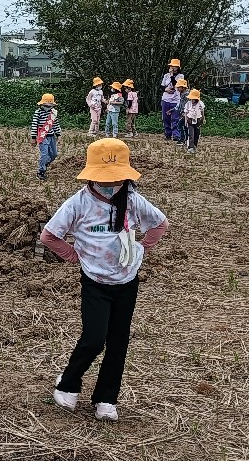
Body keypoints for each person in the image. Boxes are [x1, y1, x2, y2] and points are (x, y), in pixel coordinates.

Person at [41, 138, 169, 422]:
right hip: (95, 281)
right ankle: (68, 384)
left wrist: (142, 248)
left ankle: (106, 398)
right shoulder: (78, 203)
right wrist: (72, 255)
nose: (111, 184)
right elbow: (48, 235)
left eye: (116, 179)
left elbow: (160, 223)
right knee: (94, 338)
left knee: (118, 341)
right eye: (105, 179)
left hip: (127, 281)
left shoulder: (132, 199)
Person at [30, 94, 61, 180]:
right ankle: (41, 171)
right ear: (42, 104)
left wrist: (58, 134)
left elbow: (55, 124)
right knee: (44, 154)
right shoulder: (38, 113)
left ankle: (45, 163)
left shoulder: (53, 113)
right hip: (42, 136)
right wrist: (33, 137)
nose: (48, 107)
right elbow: (34, 125)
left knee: (54, 154)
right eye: (46, 105)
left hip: (51, 136)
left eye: (50, 106)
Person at [182, 89, 206, 154]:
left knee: (197, 134)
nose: (192, 100)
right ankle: (191, 147)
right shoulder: (188, 104)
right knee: (191, 134)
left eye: (193, 99)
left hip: (198, 120)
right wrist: (186, 120)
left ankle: (195, 145)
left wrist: (203, 119)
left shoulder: (200, 103)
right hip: (190, 120)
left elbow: (202, 112)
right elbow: (186, 112)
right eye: (191, 99)